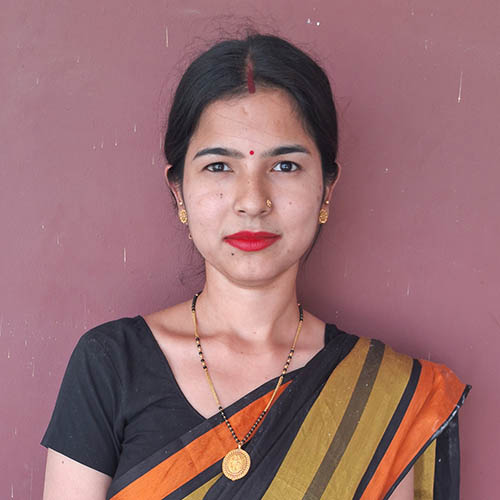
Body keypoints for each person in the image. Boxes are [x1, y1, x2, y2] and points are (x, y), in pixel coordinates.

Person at [41, 33, 470, 500]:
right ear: (178, 190)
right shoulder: (109, 365)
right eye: (218, 167)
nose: (252, 201)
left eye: (284, 166)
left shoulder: (384, 398)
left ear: (326, 189)